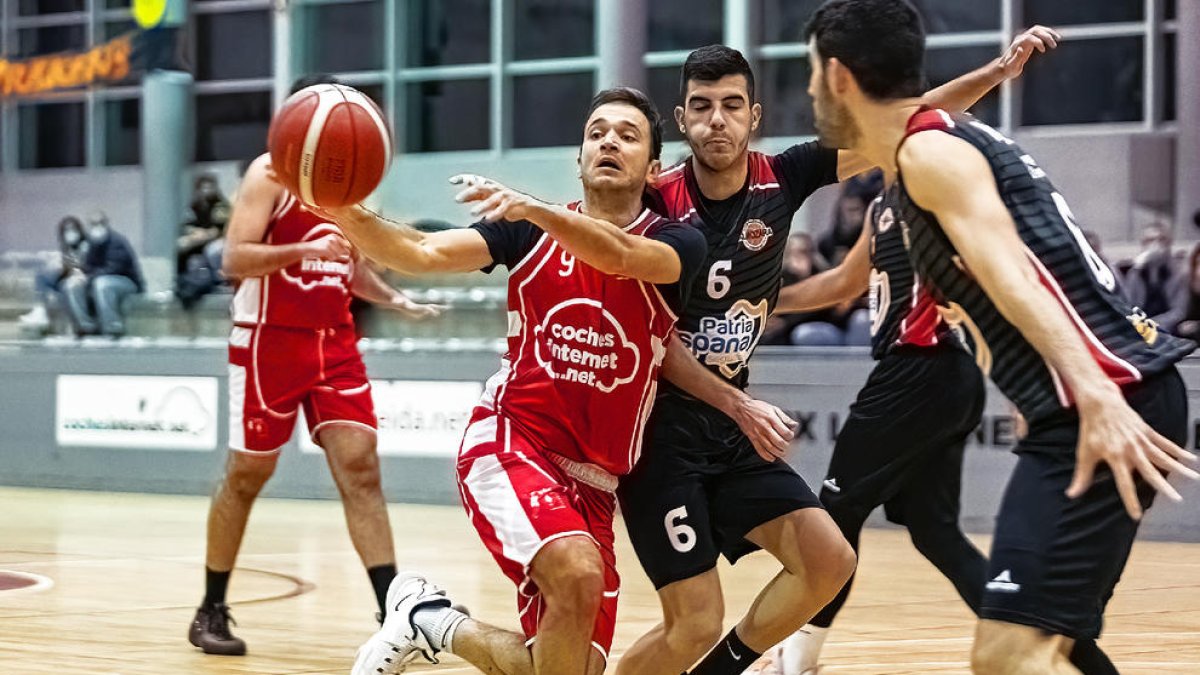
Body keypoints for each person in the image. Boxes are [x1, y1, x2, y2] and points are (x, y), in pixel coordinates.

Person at [616, 30, 1057, 675]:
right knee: (692, 624)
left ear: (754, 116)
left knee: (829, 561)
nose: (717, 121)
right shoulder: (654, 201)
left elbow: (905, 117)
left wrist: (997, 71)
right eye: (702, 107)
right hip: (661, 435)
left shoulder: (784, 175)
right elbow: (649, 340)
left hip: (732, 433)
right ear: (682, 120)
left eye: (731, 105)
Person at [802, 2, 1198, 673]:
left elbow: (1015, 271)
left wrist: (1094, 391)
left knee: (1011, 651)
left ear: (839, 77)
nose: (810, 90)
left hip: (1106, 399)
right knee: (1024, 645)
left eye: (813, 74)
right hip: (1089, 400)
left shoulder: (930, 154)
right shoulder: (934, 144)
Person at [331, 87, 719, 675]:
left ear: (654, 169)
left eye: (627, 135)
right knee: (578, 571)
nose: (609, 142)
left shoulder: (679, 242)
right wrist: (341, 207)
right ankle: (426, 620)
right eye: (596, 133)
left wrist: (536, 209)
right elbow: (421, 249)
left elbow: (619, 257)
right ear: (580, 158)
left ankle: (429, 622)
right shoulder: (527, 232)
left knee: (565, 667)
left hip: (596, 483)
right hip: (513, 442)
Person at [187, 74, 443, 657]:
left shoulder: (348, 182)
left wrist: (395, 298)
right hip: (269, 342)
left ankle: (393, 614)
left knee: (361, 467)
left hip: (334, 343)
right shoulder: (269, 175)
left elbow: (346, 266)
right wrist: (303, 248)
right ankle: (211, 608)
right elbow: (233, 259)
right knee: (248, 475)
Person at [59, 211, 143, 337]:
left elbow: (114, 268)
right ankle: (85, 327)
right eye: (93, 224)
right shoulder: (90, 244)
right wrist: (79, 274)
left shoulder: (117, 242)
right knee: (71, 285)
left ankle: (112, 326)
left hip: (126, 282)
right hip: (97, 279)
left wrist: (88, 278)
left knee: (102, 284)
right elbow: (88, 266)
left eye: (99, 223)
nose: (96, 227)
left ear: (106, 224)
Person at [18, 215, 88, 333]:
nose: (70, 233)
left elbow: (85, 266)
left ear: (79, 230)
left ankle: (41, 311)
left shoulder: (86, 246)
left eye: (73, 229)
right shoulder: (68, 248)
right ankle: (40, 311)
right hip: (71, 277)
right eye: (66, 231)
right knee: (42, 275)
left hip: (82, 280)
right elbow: (69, 265)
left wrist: (69, 267)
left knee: (51, 278)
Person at [1122, 224, 1187, 332]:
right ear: (1143, 245)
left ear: (1169, 244)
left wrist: (1150, 325)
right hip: (1139, 329)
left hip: (1169, 330)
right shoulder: (1135, 273)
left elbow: (1179, 311)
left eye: (1161, 240)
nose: (1156, 245)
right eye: (1150, 240)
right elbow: (1128, 305)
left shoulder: (1179, 272)